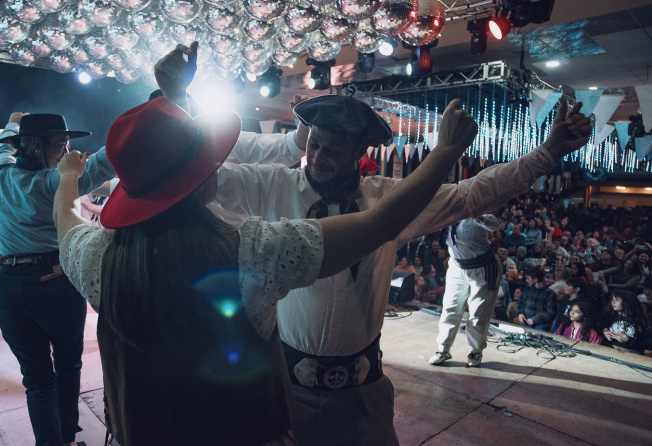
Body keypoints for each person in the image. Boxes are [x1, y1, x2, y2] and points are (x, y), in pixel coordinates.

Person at [52, 86, 477, 445]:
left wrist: (68, 174)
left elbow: (65, 219)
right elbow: (380, 223)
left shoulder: (95, 258)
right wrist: (444, 153)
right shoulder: (253, 252)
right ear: (201, 178)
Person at [207, 74, 592, 442]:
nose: (318, 157)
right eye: (314, 145)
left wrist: (548, 152)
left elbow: (471, 195)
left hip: (363, 394)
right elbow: (204, 178)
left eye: (333, 150)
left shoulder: (388, 198)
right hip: (287, 387)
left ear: (360, 153)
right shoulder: (272, 186)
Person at [0, 110, 116, 446]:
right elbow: (108, 160)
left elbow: (1, 148)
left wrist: (14, 120)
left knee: (37, 380)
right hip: (54, 281)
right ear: (34, 145)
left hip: (9, 287)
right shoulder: (54, 183)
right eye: (60, 145)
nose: (66, 152)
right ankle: (69, 440)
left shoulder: (0, 174)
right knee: (68, 364)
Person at [429, 214, 501, 367]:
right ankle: (443, 349)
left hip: (482, 268)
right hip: (457, 266)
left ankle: (476, 351)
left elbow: (494, 224)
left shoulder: (475, 214)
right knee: (450, 308)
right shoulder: (447, 215)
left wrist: (478, 217)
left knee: (477, 313)